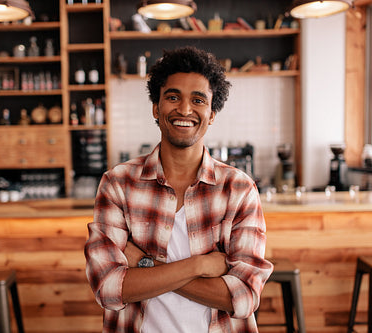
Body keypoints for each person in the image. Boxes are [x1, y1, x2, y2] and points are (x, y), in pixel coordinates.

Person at [84, 46, 273, 332]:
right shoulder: (118, 184)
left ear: (211, 114)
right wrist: (198, 266)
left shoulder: (238, 189)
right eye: (173, 97)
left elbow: (244, 296)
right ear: (156, 108)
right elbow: (109, 288)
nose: (184, 109)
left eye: (198, 100)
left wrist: (145, 265)